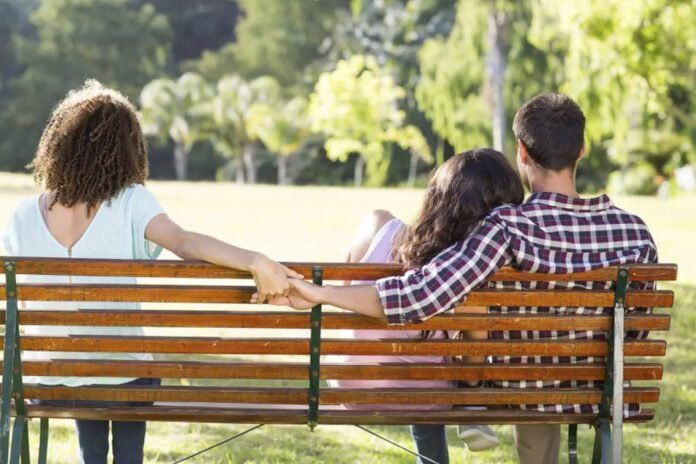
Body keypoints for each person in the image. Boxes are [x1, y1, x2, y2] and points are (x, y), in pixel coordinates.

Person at [265, 94, 658, 464]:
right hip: (601, 393)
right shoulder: (636, 233)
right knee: (545, 379)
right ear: (581, 151)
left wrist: (320, 292)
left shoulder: (507, 227)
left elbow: (418, 297)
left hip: (520, 388)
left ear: (522, 152)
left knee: (530, 376)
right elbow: (635, 332)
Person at [2, 80, 301, 464]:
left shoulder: (23, 215)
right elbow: (184, 243)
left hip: (48, 382)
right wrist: (255, 260)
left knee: (85, 379)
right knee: (116, 372)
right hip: (121, 377)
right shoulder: (129, 202)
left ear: (61, 143)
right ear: (125, 149)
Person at [330, 149, 523, 463]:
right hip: (426, 395)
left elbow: (344, 295)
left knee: (422, 365)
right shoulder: (467, 272)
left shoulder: (377, 223)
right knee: (432, 372)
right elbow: (474, 369)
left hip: (350, 382)